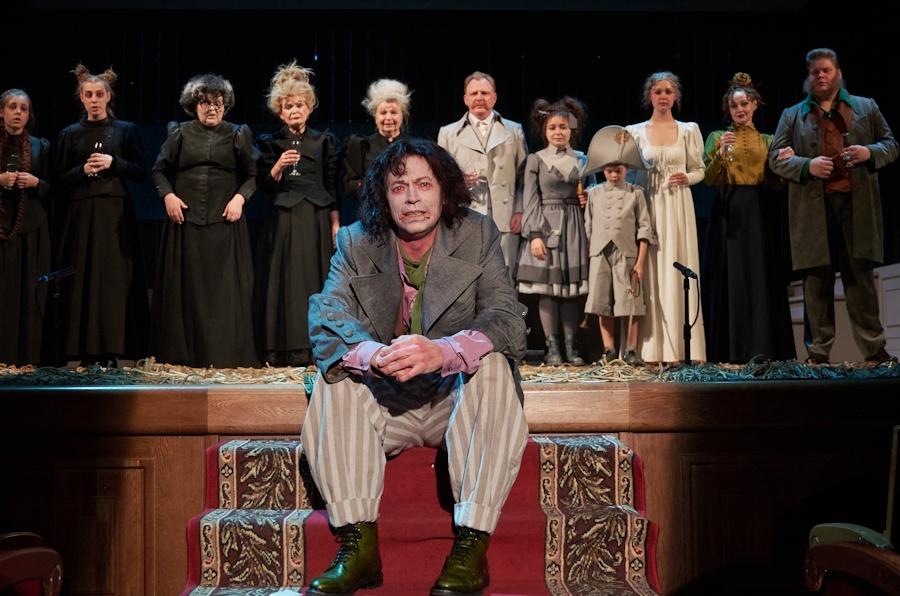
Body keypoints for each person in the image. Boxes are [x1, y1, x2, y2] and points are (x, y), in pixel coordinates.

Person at [301, 138, 528, 596]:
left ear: (443, 191)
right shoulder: (356, 240)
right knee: (335, 372)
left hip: (454, 402)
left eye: (424, 185)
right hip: (386, 402)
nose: (412, 198)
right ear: (383, 196)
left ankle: (472, 545)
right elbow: (326, 315)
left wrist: (443, 351)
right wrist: (371, 354)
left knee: (494, 364)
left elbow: (506, 318)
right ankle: (358, 546)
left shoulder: (477, 233)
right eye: (399, 187)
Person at [769, 48, 898, 364]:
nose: (821, 75)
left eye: (826, 70)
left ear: (838, 73)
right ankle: (818, 351)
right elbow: (775, 158)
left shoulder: (866, 107)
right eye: (815, 71)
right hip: (813, 209)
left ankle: (874, 348)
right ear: (808, 77)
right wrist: (806, 165)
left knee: (860, 280)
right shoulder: (792, 115)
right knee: (816, 282)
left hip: (857, 206)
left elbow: (891, 145)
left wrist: (869, 153)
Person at [151, 73, 259, 368]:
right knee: (186, 289)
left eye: (217, 103)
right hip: (185, 223)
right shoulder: (179, 133)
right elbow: (159, 170)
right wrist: (168, 196)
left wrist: (240, 199)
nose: (212, 108)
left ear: (226, 105)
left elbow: (253, 174)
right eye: (205, 103)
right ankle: (184, 355)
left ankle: (224, 355)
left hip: (225, 223)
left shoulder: (237, 133)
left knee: (223, 291)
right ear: (194, 105)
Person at [52, 64, 148, 367]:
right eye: (88, 95)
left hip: (114, 213)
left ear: (108, 96)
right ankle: (80, 349)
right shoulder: (69, 135)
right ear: (81, 98)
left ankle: (112, 348)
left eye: (99, 94)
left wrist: (113, 162)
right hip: (80, 215)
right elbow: (57, 180)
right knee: (82, 278)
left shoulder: (125, 130)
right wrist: (82, 170)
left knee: (112, 280)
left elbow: (141, 172)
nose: (94, 100)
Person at [702, 73, 796, 364]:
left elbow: (776, 184)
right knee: (732, 278)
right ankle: (730, 350)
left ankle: (764, 348)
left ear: (755, 104)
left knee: (760, 276)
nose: (739, 109)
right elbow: (709, 179)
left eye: (744, 104)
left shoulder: (768, 140)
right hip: (729, 211)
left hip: (760, 211)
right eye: (734, 105)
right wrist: (721, 153)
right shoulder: (717, 137)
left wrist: (784, 164)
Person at [255, 61, 338, 367]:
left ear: (309, 108)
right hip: (284, 219)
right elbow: (263, 186)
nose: (294, 111)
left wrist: (335, 223)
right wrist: (278, 166)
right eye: (288, 106)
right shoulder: (270, 143)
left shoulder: (324, 141)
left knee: (315, 279)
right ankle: (283, 347)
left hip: (316, 218)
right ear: (280, 111)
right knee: (285, 281)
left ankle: (316, 347)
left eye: (299, 105)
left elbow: (331, 185)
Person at [626, 71, 706, 363]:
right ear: (650, 96)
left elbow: (700, 169)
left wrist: (688, 177)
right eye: (658, 91)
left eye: (668, 91)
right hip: (647, 205)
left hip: (677, 206)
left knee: (676, 267)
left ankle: (681, 350)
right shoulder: (634, 132)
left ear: (676, 97)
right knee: (648, 271)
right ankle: (648, 349)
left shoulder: (688, 130)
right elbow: (626, 174)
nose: (663, 96)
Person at [516, 97, 590, 365]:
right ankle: (552, 348)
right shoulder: (535, 160)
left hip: (574, 227)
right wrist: (535, 235)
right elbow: (530, 199)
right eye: (552, 128)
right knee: (548, 291)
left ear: (571, 129)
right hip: (547, 225)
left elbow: (592, 192)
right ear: (544, 131)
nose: (558, 132)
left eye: (563, 127)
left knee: (570, 291)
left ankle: (572, 347)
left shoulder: (582, 159)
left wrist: (588, 198)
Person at [437, 71, 527, 276]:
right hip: (466, 213)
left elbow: (523, 177)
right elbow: (439, 178)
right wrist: (458, 181)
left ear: (494, 97)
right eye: (474, 93)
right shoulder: (448, 133)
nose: (479, 97)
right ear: (465, 99)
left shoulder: (514, 130)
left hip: (505, 216)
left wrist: (520, 210)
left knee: (504, 276)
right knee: (468, 275)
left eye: (484, 93)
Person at [583, 126, 655, 366]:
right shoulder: (594, 194)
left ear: (626, 170)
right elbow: (588, 226)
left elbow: (644, 228)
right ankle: (609, 349)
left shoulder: (636, 193)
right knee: (601, 302)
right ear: (603, 170)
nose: (614, 175)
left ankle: (632, 349)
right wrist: (592, 252)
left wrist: (640, 261)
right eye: (609, 171)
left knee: (629, 301)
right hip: (600, 252)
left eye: (618, 170)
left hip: (626, 252)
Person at [0, 89, 50, 366]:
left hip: (31, 230)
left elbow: (56, 186)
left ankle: (26, 360)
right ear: (2, 112)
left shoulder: (40, 146)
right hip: (2, 230)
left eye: (24, 108)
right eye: (12, 107)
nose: (18, 112)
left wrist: (35, 183)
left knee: (28, 294)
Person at [342, 78, 411, 201]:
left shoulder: (413, 147)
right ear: (375, 116)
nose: (388, 117)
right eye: (383, 113)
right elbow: (349, 187)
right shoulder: (360, 145)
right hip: (373, 208)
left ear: (403, 115)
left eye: (394, 112)